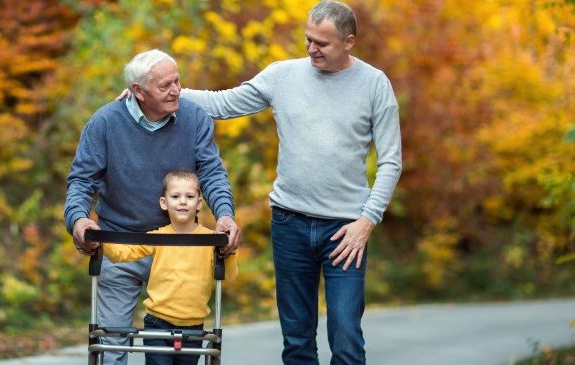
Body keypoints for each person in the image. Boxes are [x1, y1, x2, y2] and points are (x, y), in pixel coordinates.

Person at [170, 1, 401, 363]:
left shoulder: (374, 84)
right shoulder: (283, 75)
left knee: (346, 338)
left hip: (346, 231)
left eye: (322, 43)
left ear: (349, 41)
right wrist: (165, 93)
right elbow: (223, 103)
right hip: (289, 223)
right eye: (308, 39)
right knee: (296, 341)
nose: (311, 49)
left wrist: (367, 221)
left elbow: (391, 161)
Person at [64, 49, 240, 365]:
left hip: (179, 247)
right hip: (122, 243)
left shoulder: (194, 117)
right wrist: (78, 220)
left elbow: (211, 172)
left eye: (177, 81)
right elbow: (81, 181)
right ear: (138, 92)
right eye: (165, 86)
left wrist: (225, 214)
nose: (176, 90)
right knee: (112, 344)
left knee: (183, 349)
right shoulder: (105, 122)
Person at [101, 169, 238, 365]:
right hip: (158, 322)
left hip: (193, 325)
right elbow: (123, 253)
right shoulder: (158, 236)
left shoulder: (210, 240)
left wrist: (229, 252)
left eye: (189, 196)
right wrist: (100, 240)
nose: (183, 201)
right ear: (164, 203)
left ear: (199, 203)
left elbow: (229, 276)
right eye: (176, 196)